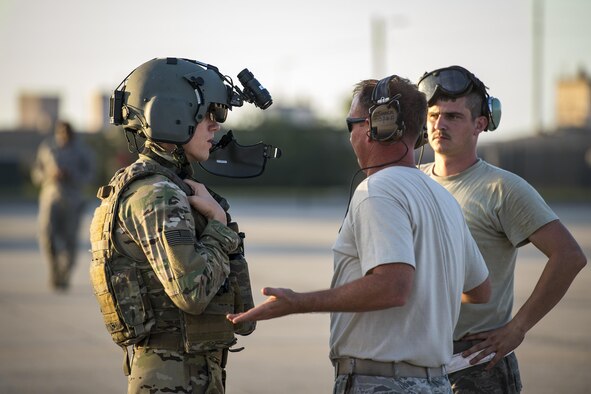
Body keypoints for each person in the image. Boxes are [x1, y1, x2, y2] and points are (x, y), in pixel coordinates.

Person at [227, 75, 491, 394]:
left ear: (373, 126)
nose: (350, 134)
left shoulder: (377, 191)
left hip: (382, 382)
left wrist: (297, 303)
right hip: (435, 382)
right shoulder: (443, 198)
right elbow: (480, 290)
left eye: (350, 123)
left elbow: (393, 287)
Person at [89, 57, 265, 393]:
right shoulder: (158, 194)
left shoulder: (168, 186)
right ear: (175, 116)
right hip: (172, 380)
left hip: (186, 374)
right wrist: (218, 223)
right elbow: (193, 292)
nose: (216, 125)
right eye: (209, 115)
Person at [417, 65, 587, 393]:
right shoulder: (412, 181)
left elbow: (569, 256)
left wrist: (517, 328)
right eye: (434, 115)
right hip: (416, 357)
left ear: (480, 124)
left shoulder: (502, 187)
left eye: (453, 117)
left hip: (475, 365)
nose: (439, 125)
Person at [31, 120, 94, 291]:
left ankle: (65, 275)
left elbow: (90, 175)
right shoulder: (48, 148)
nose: (64, 134)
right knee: (46, 235)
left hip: (73, 199)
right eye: (61, 131)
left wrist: (72, 175)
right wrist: (48, 175)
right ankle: (54, 269)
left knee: (70, 239)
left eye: (67, 131)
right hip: (50, 197)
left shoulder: (82, 151)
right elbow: (36, 172)